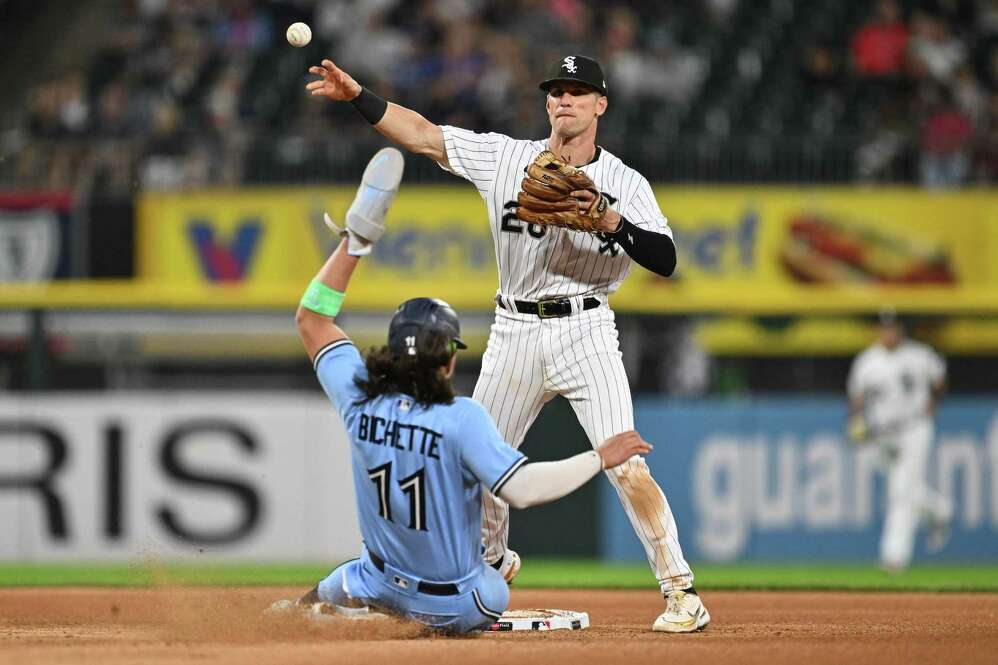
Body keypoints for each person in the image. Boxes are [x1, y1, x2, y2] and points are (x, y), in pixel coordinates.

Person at [305, 53, 708, 632]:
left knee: (626, 465)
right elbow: (423, 136)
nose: (564, 100)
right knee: (476, 466)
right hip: (513, 328)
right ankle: (492, 565)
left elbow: (665, 260)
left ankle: (681, 591)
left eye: (577, 91)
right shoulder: (508, 159)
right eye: (556, 92)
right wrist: (359, 96)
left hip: (586, 328)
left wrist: (611, 223)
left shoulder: (624, 183)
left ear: (601, 104)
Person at [847, 309, 953, 572]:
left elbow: (940, 381)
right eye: (884, 328)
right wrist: (856, 422)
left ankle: (894, 556)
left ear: (901, 330)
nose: (889, 333)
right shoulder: (867, 361)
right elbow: (857, 399)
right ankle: (938, 511)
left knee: (901, 491)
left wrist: (932, 405)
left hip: (913, 428)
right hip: (880, 434)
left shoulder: (919, 355)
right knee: (900, 484)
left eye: (893, 327)